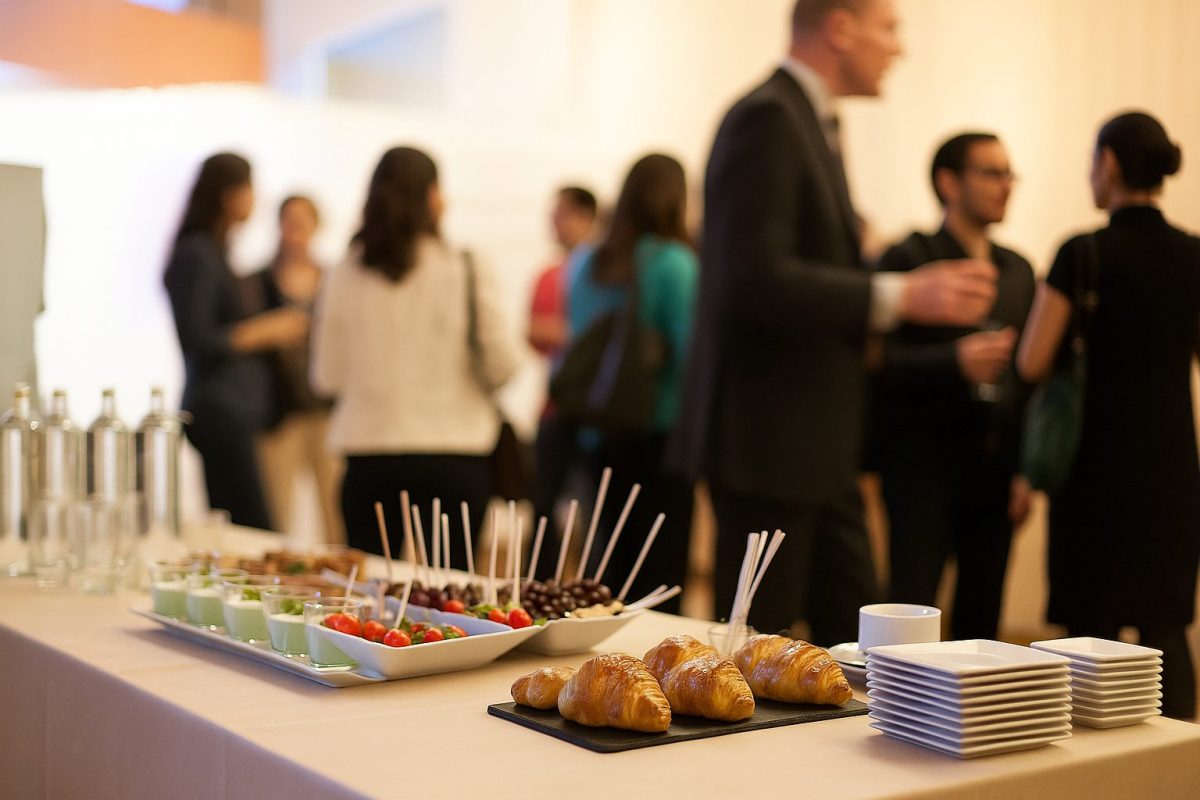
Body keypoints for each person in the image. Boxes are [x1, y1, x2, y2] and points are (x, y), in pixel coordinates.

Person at [671, 0, 999, 644]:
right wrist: (898, 296)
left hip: (812, 442)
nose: (897, 49)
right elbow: (751, 279)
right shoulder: (768, 117)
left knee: (855, 647)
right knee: (758, 660)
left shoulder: (804, 119)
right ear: (841, 29)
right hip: (769, 442)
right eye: (888, 29)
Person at [1017, 111, 1200, 719]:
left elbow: (1032, 360)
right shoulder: (1194, 254)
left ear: (1110, 164)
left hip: (1093, 466)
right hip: (1171, 465)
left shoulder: (1081, 252)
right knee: (1165, 628)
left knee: (1085, 633)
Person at [310, 146, 520, 564]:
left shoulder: (345, 270)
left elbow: (326, 377)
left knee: (365, 603)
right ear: (434, 196)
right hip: (454, 452)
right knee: (452, 599)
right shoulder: (466, 264)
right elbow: (503, 365)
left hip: (368, 451)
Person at [872, 133, 1035, 640]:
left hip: (996, 466)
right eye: (991, 172)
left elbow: (1031, 378)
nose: (1006, 185)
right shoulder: (910, 257)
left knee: (982, 621)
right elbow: (875, 366)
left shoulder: (1018, 271)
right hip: (922, 466)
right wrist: (953, 362)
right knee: (909, 613)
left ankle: (975, 720)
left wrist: (1028, 470)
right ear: (948, 182)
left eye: (1010, 173)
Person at [565, 154, 698, 612]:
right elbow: (690, 358)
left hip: (595, 432)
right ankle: (658, 676)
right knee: (659, 582)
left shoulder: (585, 262)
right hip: (657, 439)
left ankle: (609, 675)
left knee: (609, 578)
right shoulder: (674, 263)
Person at [164, 153, 309, 530]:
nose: (254, 200)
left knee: (244, 523)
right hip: (218, 407)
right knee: (251, 527)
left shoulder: (214, 251)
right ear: (229, 195)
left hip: (232, 408)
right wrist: (267, 330)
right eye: (249, 190)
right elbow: (200, 338)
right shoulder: (198, 253)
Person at [243, 195, 344, 544]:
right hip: (278, 412)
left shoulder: (335, 279)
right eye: (289, 222)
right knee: (276, 513)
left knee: (336, 515)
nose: (295, 232)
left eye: (303, 223)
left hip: (327, 411)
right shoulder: (257, 282)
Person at [530, 186, 597, 575]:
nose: (554, 224)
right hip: (556, 405)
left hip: (596, 410)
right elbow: (534, 331)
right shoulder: (549, 274)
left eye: (561, 214)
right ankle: (540, 582)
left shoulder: (604, 270)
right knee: (544, 502)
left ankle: (593, 585)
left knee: (595, 507)